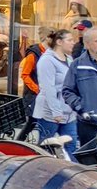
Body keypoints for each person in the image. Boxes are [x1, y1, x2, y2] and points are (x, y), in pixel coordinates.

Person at [33, 29, 78, 159]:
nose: (73, 43)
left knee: (71, 146)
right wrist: (56, 111)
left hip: (69, 112)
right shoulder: (47, 60)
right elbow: (48, 88)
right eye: (69, 40)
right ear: (59, 42)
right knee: (47, 146)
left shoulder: (69, 59)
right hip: (50, 113)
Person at [16, 28, 49, 139]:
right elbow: (25, 75)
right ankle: (20, 142)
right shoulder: (33, 55)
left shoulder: (47, 54)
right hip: (33, 95)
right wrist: (36, 89)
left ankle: (21, 142)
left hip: (40, 94)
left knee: (35, 122)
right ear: (47, 39)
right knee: (32, 122)